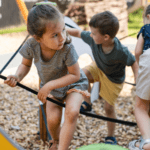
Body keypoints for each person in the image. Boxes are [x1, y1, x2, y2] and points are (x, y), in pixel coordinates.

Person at [4, 2, 90, 150]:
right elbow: (25, 65)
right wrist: (17, 76)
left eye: (63, 30)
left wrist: (49, 85)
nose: (62, 37)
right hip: (53, 90)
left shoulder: (67, 47)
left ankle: (62, 148)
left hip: (74, 85)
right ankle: (55, 142)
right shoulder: (32, 45)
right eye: (55, 35)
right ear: (38, 38)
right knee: (52, 119)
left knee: (72, 112)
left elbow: (75, 75)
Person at [67, 11, 138, 145]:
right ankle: (87, 103)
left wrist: (137, 80)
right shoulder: (93, 38)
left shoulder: (120, 51)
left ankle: (111, 136)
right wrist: (63, 30)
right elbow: (77, 33)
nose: (90, 35)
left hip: (113, 79)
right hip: (99, 67)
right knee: (81, 75)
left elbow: (133, 62)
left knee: (108, 108)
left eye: (93, 33)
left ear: (106, 37)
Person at [128, 5, 150, 150]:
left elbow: (137, 52)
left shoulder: (146, 28)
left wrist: (140, 66)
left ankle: (148, 141)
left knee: (140, 107)